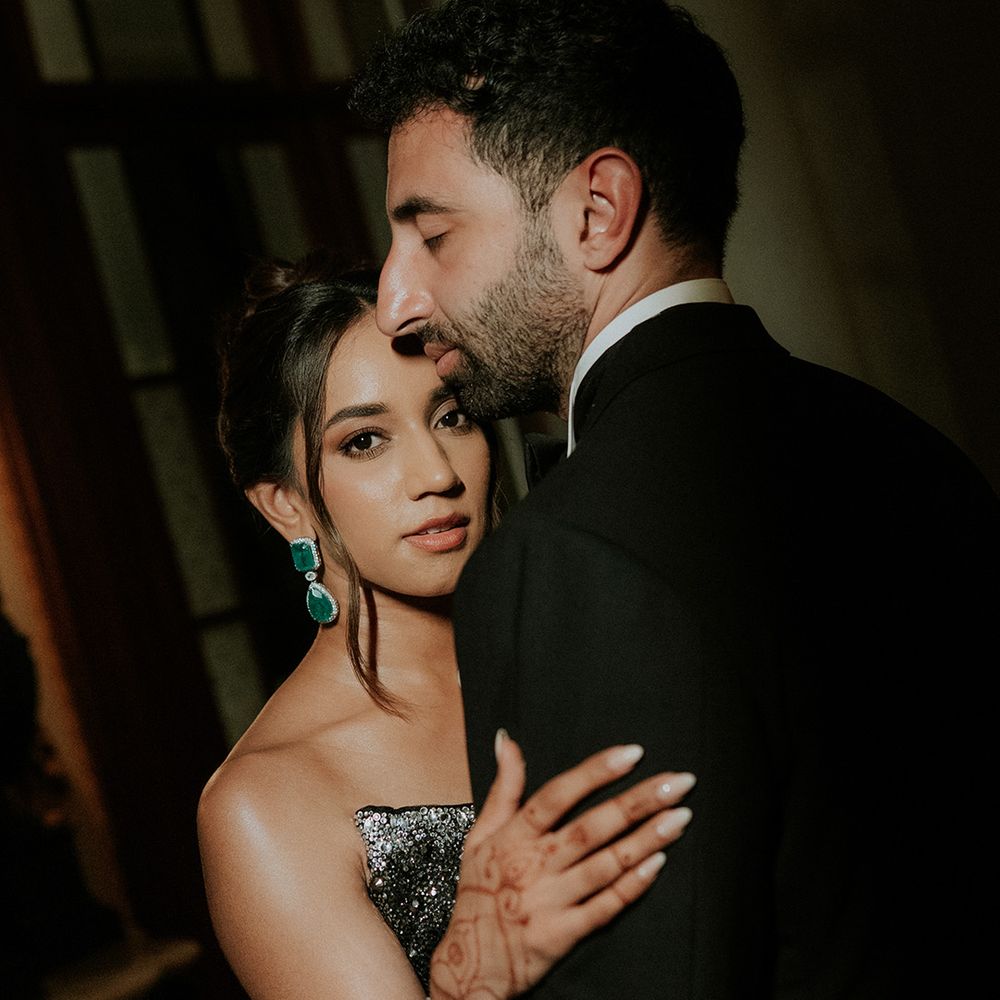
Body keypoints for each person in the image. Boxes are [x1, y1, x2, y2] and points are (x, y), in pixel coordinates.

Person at [352, 1, 1000, 996]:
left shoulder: (568, 553)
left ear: (599, 209)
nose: (395, 301)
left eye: (431, 236)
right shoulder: (904, 445)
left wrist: (467, 979)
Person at [196, 255, 696, 1000]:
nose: (436, 472)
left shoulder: (593, 658)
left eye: (451, 416)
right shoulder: (265, 803)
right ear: (284, 504)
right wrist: (479, 970)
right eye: (364, 441)